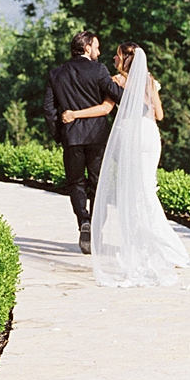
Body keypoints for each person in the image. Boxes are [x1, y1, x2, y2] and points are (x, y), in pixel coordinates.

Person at [63, 41, 190, 286]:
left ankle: (146, 246)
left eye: (117, 54)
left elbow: (104, 109)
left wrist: (74, 114)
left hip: (131, 135)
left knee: (133, 193)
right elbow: (160, 115)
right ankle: (167, 247)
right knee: (146, 191)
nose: (113, 57)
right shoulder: (150, 80)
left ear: (125, 59)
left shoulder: (118, 82)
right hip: (150, 135)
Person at [43, 31, 126, 254]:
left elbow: (48, 109)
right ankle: (96, 228)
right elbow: (117, 95)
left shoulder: (56, 74)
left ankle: (83, 222)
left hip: (71, 136)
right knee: (98, 183)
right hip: (97, 136)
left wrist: (59, 134)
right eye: (97, 47)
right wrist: (126, 83)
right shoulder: (98, 70)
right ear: (87, 47)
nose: (99, 52)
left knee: (76, 182)